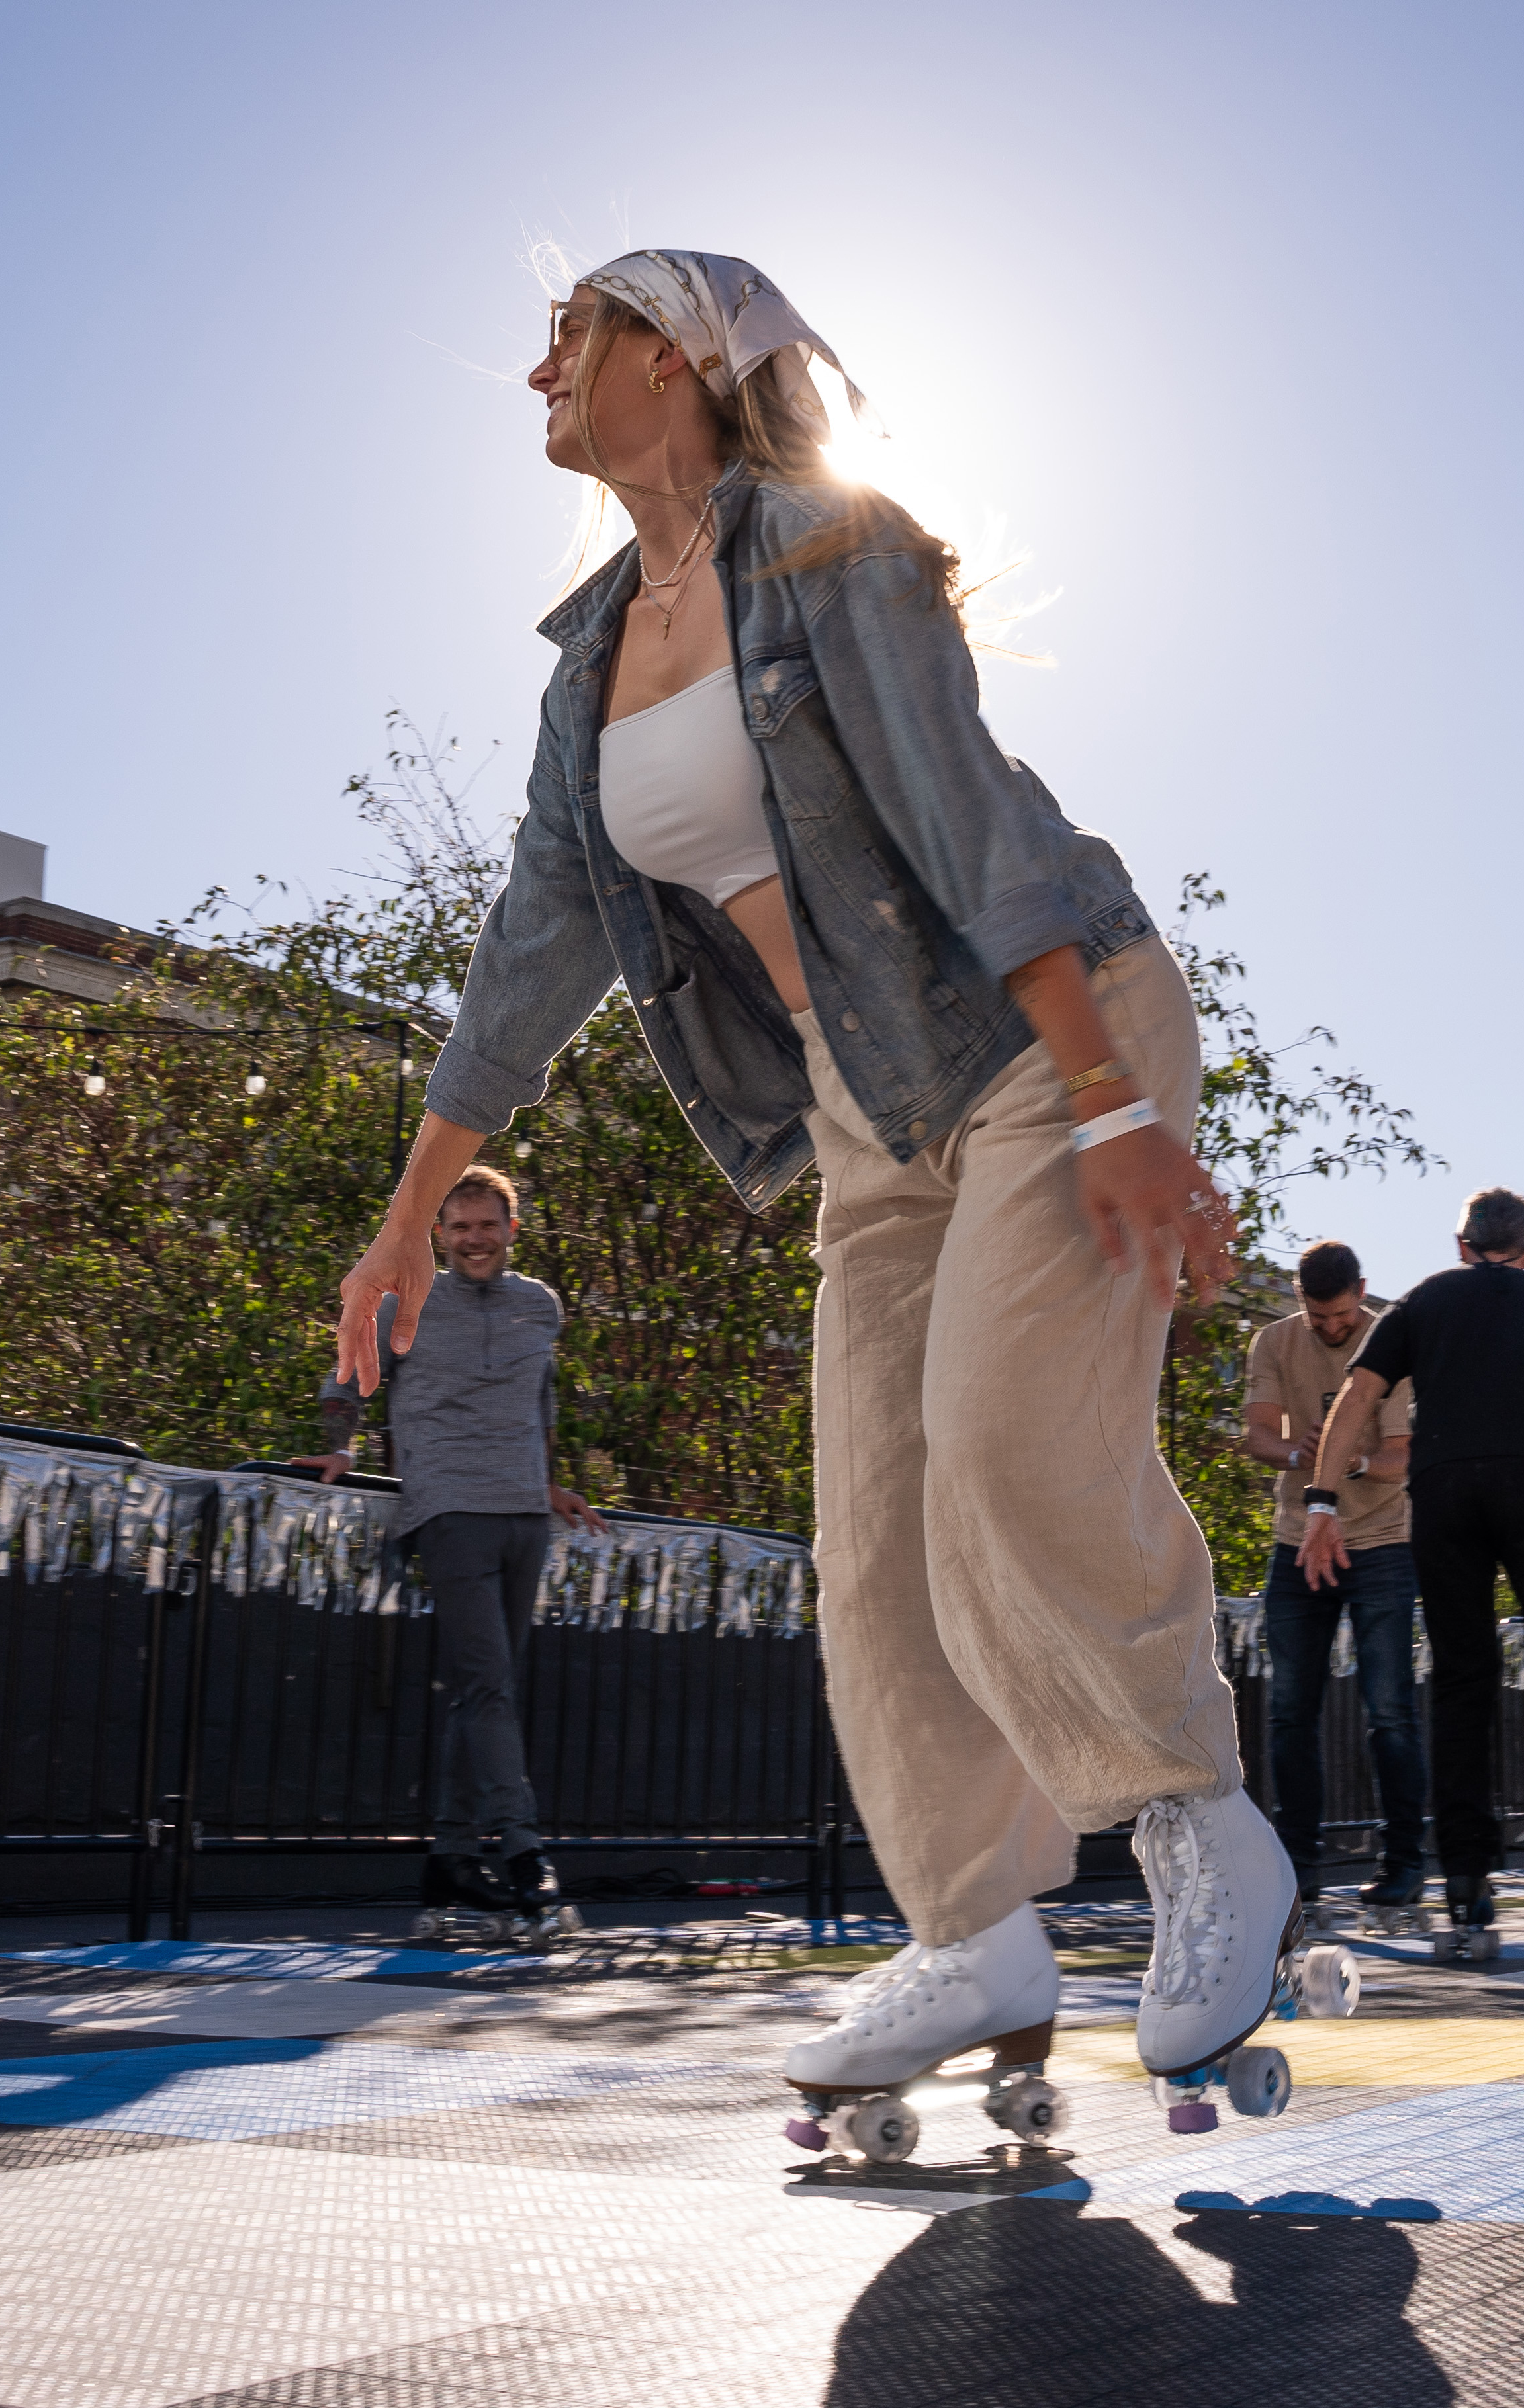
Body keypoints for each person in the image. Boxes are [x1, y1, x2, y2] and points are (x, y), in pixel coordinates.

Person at [331, 249, 1301, 2121]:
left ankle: (1197, 1824)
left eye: (578, 322)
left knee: (1006, 1444)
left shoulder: (824, 546)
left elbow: (970, 825)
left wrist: (1109, 1109)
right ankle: (974, 1937)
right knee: (868, 1540)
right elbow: (530, 952)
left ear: (684, 357)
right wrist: (400, 1216)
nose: (539, 352)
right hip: (869, 1113)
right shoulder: (589, 660)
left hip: (1045, 1036)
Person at [1298, 1187, 1524, 1943]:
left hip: (1447, 1493)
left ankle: (1465, 1887)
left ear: (1460, 1244)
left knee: (1462, 1682)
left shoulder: (1422, 1303)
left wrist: (1321, 1504)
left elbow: (1356, 1396)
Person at [300, 1164, 603, 1930]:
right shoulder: (404, 1300)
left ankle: (451, 1863)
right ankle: (526, 1854)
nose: (474, 1238)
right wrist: (341, 1447)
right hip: (448, 1509)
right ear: (440, 1234)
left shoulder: (540, 1306)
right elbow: (346, 1374)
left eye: (487, 1224)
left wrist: (550, 1485)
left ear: (511, 1230)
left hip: (523, 1515)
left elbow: (541, 1402)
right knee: (490, 1683)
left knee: (483, 1692)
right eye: (460, 1226)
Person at [1241, 1239, 1425, 1921]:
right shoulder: (1272, 1343)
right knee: (1290, 1711)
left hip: (1379, 1541)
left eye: (1342, 1315)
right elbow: (1259, 1435)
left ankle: (1403, 1864)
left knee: (1389, 1710)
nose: (1331, 1328)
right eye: (1318, 1318)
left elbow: (1402, 1453)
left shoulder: (1391, 1339)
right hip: (1296, 1543)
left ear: (1362, 1292)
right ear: (1301, 1301)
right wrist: (1303, 1454)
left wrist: (1337, 1466)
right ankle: (1297, 1868)